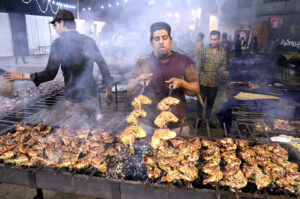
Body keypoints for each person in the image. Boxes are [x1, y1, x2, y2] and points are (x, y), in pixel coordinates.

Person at [4, 9, 113, 123]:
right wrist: (108, 90)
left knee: (74, 136)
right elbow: (103, 65)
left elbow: (49, 74)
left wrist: (21, 76)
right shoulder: (89, 41)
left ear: (62, 23)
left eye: (55, 25)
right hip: (91, 96)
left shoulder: (59, 43)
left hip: (73, 99)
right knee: (92, 134)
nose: (55, 29)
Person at [127, 22, 200, 137]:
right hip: (147, 126)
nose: (161, 42)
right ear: (151, 43)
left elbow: (196, 89)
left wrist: (182, 83)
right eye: (156, 39)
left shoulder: (184, 60)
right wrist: (138, 81)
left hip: (177, 127)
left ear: (171, 41)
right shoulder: (142, 62)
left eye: (164, 38)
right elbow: (129, 90)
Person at [196, 30, 228, 128]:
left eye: (215, 39)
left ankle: (206, 119)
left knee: (210, 101)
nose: (213, 41)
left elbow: (222, 66)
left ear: (219, 39)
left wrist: (223, 71)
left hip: (214, 82)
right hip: (203, 80)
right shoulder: (204, 50)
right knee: (201, 100)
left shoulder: (223, 52)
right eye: (212, 39)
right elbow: (199, 66)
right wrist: (196, 80)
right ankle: (199, 118)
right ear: (210, 39)